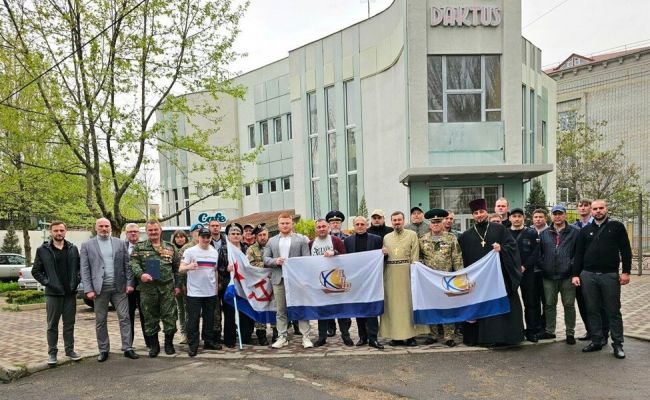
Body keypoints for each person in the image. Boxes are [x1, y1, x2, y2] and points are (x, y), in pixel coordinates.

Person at [458, 199, 524, 346]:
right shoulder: (466, 236)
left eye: (481, 212)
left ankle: (505, 338)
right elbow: (462, 259)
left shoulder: (499, 229)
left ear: (486, 212)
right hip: (478, 280)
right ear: (472, 215)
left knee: (502, 307)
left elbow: (512, 247)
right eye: (476, 213)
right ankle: (482, 338)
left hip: (499, 277)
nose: (479, 215)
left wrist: (502, 249)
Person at [572, 200, 632, 359]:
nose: (598, 211)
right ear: (591, 211)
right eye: (595, 209)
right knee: (592, 309)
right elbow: (579, 254)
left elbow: (626, 250)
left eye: (601, 208)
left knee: (613, 310)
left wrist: (626, 272)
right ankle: (597, 340)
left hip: (609, 275)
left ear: (606, 209)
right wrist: (575, 274)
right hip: (588, 275)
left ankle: (618, 344)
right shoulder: (585, 231)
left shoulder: (617, 227)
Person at [80, 218, 138, 362]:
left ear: (110, 227)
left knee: (124, 318)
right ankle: (103, 350)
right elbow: (84, 269)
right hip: (99, 289)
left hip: (119, 287)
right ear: (96, 228)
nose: (104, 228)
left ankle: (127, 347)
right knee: (100, 320)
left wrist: (130, 283)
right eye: (101, 226)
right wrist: (88, 289)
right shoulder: (87, 245)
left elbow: (127, 265)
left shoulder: (120, 243)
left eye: (106, 226)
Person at [32, 221, 82, 366]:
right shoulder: (43, 250)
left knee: (69, 324)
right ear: (51, 232)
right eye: (56, 230)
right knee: (52, 325)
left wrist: (77, 279)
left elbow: (79, 268)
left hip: (70, 293)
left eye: (61, 230)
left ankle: (70, 350)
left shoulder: (73, 248)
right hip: (53, 294)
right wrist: (48, 282)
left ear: (65, 231)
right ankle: (52, 353)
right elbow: (36, 271)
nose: (59, 233)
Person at [129, 220, 181, 357]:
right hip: (148, 289)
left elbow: (177, 268)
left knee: (170, 317)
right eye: (150, 230)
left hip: (167, 289)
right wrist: (141, 274)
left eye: (155, 229)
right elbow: (133, 263)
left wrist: (177, 286)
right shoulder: (139, 247)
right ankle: (154, 346)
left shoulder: (170, 247)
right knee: (150, 317)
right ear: (147, 231)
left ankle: (169, 344)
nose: (153, 232)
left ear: (160, 230)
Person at [263, 212, 313, 349]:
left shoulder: (301, 240)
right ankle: (282, 337)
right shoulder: (271, 241)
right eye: (282, 223)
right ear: (278, 225)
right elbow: (265, 259)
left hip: (296, 279)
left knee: (301, 307)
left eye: (287, 223)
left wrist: (303, 278)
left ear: (292, 224)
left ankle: (306, 336)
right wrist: (275, 261)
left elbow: (306, 259)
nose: (285, 225)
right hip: (279, 279)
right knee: (280, 310)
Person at [419, 209, 463, 347]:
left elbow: (457, 258)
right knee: (431, 306)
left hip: (446, 278)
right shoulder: (423, 239)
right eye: (433, 222)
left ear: (443, 223)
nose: (436, 224)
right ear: (430, 224)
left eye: (438, 222)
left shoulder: (451, 238)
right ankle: (433, 334)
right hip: (430, 280)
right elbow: (419, 258)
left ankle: (448, 336)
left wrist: (459, 275)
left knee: (447, 307)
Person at [537, 205, 579, 345]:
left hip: (567, 276)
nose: (557, 216)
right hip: (549, 276)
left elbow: (578, 253)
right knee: (549, 304)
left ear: (565, 215)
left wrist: (571, 267)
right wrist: (544, 265)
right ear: (551, 216)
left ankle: (570, 333)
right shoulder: (544, 233)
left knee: (569, 305)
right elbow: (539, 253)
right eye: (555, 214)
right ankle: (550, 331)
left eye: (560, 214)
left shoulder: (575, 232)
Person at [308, 219, 352, 347]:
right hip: (319, 280)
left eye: (324, 226)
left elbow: (345, 257)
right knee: (322, 310)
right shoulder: (311, 243)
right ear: (315, 229)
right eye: (319, 227)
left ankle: (346, 336)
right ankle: (322, 337)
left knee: (341, 309)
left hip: (336, 279)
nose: (321, 229)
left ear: (328, 228)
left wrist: (335, 253)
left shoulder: (336, 241)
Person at [380, 211, 421, 346]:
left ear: (404, 221)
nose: (397, 222)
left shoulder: (412, 235)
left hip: (406, 273)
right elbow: (383, 257)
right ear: (391, 222)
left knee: (408, 305)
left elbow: (415, 256)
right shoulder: (386, 237)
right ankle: (395, 336)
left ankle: (410, 336)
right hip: (390, 274)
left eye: (399, 220)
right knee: (393, 306)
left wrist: (413, 274)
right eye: (394, 220)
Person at [343, 216, 384, 349]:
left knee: (371, 309)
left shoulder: (376, 239)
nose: (360, 226)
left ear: (367, 225)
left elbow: (382, 258)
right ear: (354, 226)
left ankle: (373, 338)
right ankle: (363, 337)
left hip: (371, 280)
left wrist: (385, 253)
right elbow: (344, 259)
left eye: (362, 224)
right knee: (359, 309)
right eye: (357, 224)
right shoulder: (348, 241)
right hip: (356, 281)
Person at [179, 227, 221, 356]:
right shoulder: (190, 251)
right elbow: (181, 269)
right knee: (193, 320)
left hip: (210, 292)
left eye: (208, 237)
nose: (206, 239)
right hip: (194, 292)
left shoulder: (214, 252)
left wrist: (216, 289)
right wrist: (189, 266)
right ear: (198, 237)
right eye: (203, 237)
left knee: (209, 319)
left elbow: (215, 271)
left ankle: (208, 341)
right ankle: (193, 345)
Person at [571, 199, 608, 343]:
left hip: (596, 270)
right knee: (583, 302)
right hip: (579, 270)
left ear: (590, 209)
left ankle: (603, 333)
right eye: (580, 206)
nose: (583, 208)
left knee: (599, 304)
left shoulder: (598, 225)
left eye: (586, 206)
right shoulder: (574, 227)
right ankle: (591, 330)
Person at [218, 223, 255, 347]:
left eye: (238, 233)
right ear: (228, 236)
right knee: (229, 312)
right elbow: (218, 267)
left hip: (244, 285)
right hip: (229, 284)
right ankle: (229, 339)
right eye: (233, 233)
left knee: (244, 311)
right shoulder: (224, 249)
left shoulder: (246, 248)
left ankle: (245, 336)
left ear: (241, 235)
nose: (235, 236)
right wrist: (226, 269)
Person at [508, 208, 541, 343]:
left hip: (527, 273)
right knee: (511, 303)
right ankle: (514, 331)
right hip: (511, 273)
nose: (516, 219)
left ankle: (531, 331)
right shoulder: (506, 233)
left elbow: (536, 252)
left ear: (523, 218)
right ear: (510, 218)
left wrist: (524, 266)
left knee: (530, 302)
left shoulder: (531, 233)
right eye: (514, 216)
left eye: (519, 216)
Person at [246, 223, 275, 345]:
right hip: (259, 285)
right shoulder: (251, 249)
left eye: (264, 235)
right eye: (260, 235)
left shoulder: (274, 246)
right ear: (256, 237)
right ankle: (261, 334)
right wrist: (268, 264)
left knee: (275, 307)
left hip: (274, 282)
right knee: (260, 308)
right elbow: (250, 266)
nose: (263, 237)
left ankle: (276, 333)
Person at [124, 223, 149, 348]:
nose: (133, 233)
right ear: (126, 233)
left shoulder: (146, 246)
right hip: (126, 287)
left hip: (143, 286)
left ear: (139, 233)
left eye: (135, 231)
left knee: (145, 314)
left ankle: (149, 342)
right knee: (128, 315)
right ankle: (129, 344)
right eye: (130, 231)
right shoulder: (120, 247)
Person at [208, 219, 226, 343]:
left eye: (217, 226)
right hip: (211, 280)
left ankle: (230, 334)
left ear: (220, 227)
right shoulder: (206, 241)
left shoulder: (227, 241)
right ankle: (216, 334)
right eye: (212, 226)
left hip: (225, 279)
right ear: (209, 227)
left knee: (228, 308)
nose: (215, 228)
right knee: (215, 310)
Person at [171, 229, 189, 345]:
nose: (180, 239)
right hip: (177, 284)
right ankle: (183, 332)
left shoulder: (189, 249)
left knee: (189, 309)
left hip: (189, 283)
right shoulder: (171, 250)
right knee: (181, 309)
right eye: (177, 237)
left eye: (182, 237)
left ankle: (190, 331)